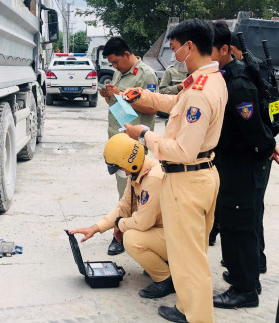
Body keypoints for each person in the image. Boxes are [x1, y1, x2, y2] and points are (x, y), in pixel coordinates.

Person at [122, 19, 227, 323]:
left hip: (187, 179)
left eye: (174, 47)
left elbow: (183, 150)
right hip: (200, 175)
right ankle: (188, 306)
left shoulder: (198, 91)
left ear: (190, 47)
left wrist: (144, 134)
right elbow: (174, 103)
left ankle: (197, 317)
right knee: (188, 255)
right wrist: (143, 97)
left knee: (189, 258)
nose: (172, 53)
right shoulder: (208, 80)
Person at [210, 21, 279, 309]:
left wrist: (268, 148)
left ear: (225, 49)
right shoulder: (226, 74)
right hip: (237, 162)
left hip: (243, 164)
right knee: (241, 224)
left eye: (208, 50)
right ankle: (245, 275)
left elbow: (252, 129)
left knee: (239, 226)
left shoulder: (237, 82)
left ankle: (244, 290)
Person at [69, 133, 174, 299]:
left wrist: (120, 224)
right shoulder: (138, 173)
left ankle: (166, 279)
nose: (120, 172)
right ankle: (164, 263)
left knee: (131, 239)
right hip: (167, 232)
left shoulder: (152, 178)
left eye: (119, 167)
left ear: (129, 163)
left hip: (178, 240)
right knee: (130, 230)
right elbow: (124, 207)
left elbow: (142, 223)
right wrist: (96, 228)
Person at [99, 36, 158, 256]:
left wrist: (121, 95)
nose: (114, 66)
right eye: (111, 64)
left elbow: (153, 109)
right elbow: (115, 104)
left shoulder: (146, 74)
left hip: (134, 145)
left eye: (116, 62)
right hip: (117, 142)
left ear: (127, 54)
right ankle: (125, 231)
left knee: (134, 194)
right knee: (123, 192)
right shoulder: (119, 73)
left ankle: (123, 235)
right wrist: (108, 96)